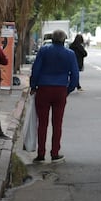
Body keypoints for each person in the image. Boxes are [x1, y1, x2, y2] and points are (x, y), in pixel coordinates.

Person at [30, 29, 79, 163]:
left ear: (52, 39)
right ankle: (55, 152)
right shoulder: (70, 54)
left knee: (42, 124)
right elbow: (75, 75)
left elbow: (36, 69)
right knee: (57, 124)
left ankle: (40, 154)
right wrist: (68, 90)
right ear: (64, 40)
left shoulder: (44, 50)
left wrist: (33, 86)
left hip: (43, 89)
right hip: (60, 90)